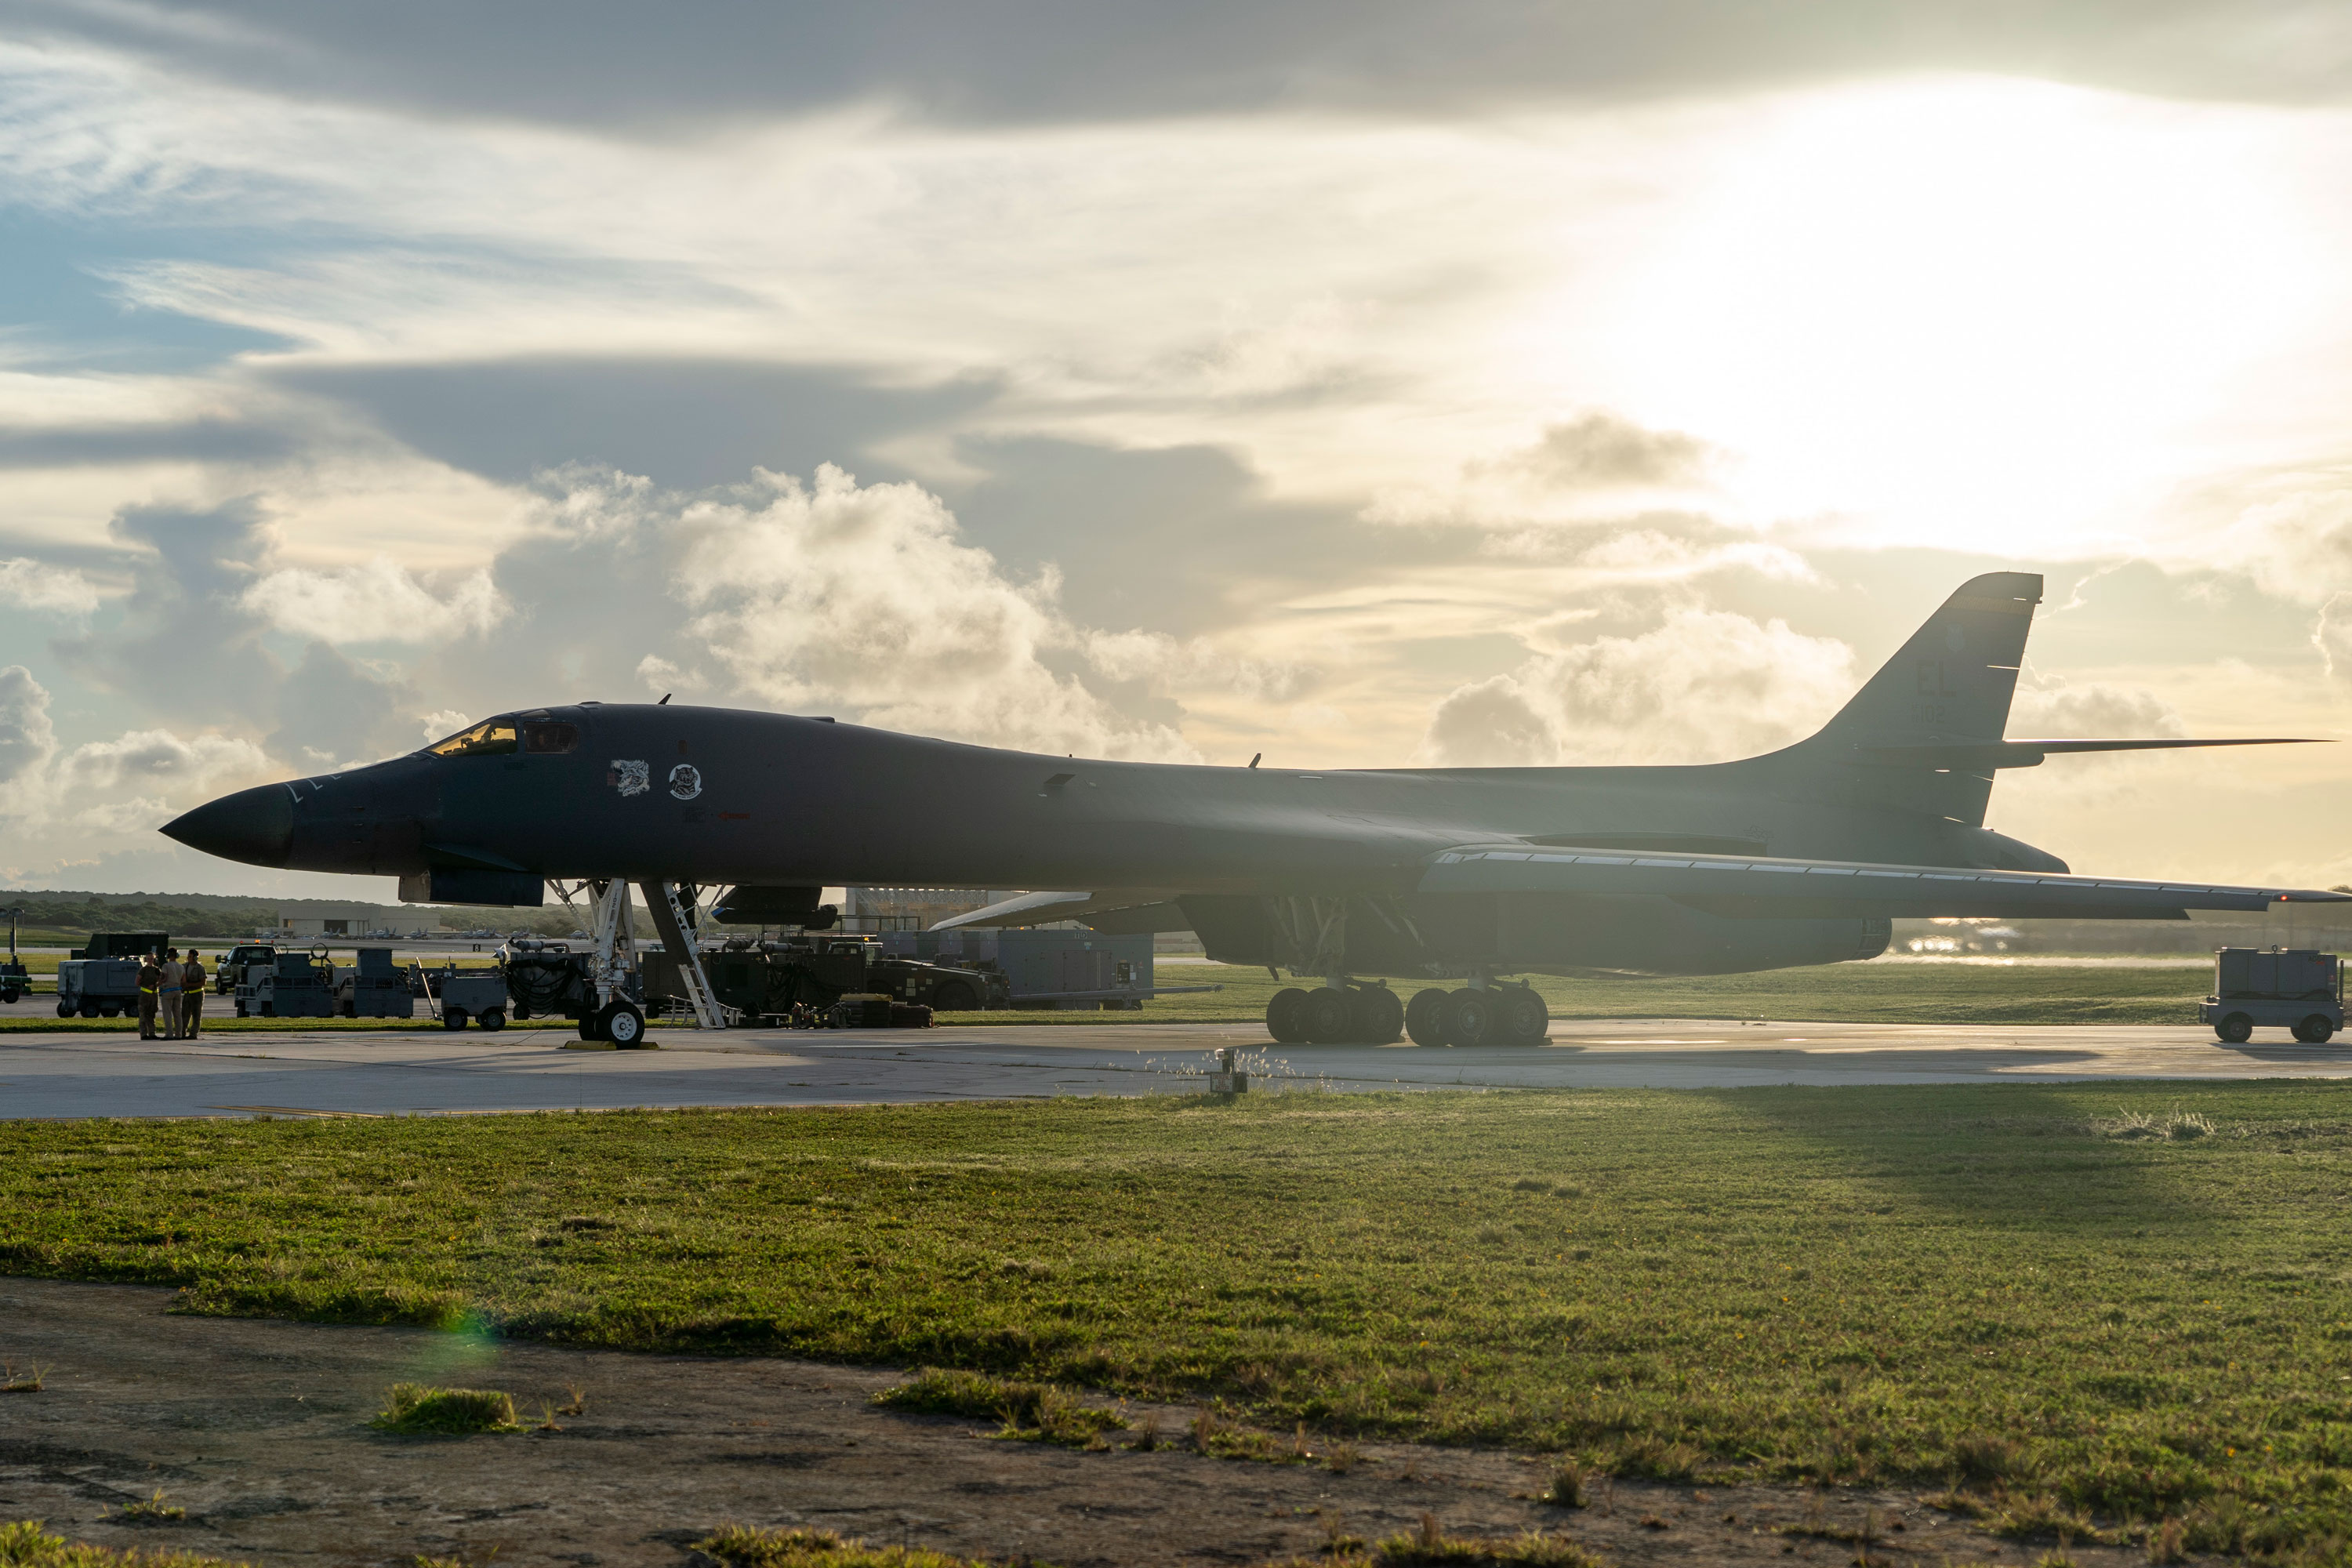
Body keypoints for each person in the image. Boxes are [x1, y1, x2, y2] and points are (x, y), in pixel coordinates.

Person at [158, 947, 183, 1039]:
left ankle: (169, 1034)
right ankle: (178, 1034)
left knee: (167, 1014)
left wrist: (156, 984)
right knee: (177, 1014)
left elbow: (164, 978)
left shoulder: (166, 966)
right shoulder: (181, 967)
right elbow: (183, 980)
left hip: (168, 991)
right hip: (178, 991)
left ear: (168, 955)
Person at [181, 950, 206, 1039]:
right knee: (184, 1015)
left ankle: (193, 1034)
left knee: (196, 1015)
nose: (188, 958)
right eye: (188, 956)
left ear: (195, 957)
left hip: (197, 995)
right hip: (187, 994)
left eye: (190, 956)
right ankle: (182, 1033)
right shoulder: (184, 966)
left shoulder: (200, 968)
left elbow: (203, 982)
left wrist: (189, 985)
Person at [136, 951, 162, 1039]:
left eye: (152, 959)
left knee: (152, 1014)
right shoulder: (143, 970)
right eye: (148, 959)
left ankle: (152, 1033)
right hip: (144, 996)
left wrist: (154, 986)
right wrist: (146, 987)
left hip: (154, 995)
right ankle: (143, 1034)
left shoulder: (157, 970)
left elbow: (160, 980)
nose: (150, 960)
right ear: (146, 959)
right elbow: (137, 982)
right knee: (143, 1014)